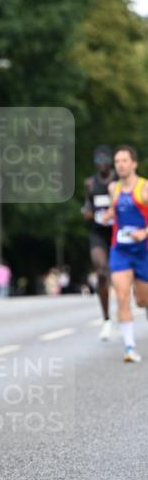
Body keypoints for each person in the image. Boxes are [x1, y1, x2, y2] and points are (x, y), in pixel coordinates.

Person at [103, 145, 148, 363]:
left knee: (142, 300)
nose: (120, 165)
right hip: (120, 250)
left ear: (134, 163)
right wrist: (108, 216)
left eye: (124, 160)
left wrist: (144, 232)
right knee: (122, 297)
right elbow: (116, 209)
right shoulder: (113, 188)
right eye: (117, 161)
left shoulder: (145, 188)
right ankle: (129, 347)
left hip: (143, 251)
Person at [82, 145, 116, 339]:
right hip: (98, 233)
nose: (101, 164)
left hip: (118, 232)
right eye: (97, 160)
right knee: (101, 269)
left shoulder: (118, 181)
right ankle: (106, 319)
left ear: (110, 161)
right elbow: (87, 204)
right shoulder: (90, 183)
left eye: (105, 160)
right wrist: (87, 212)